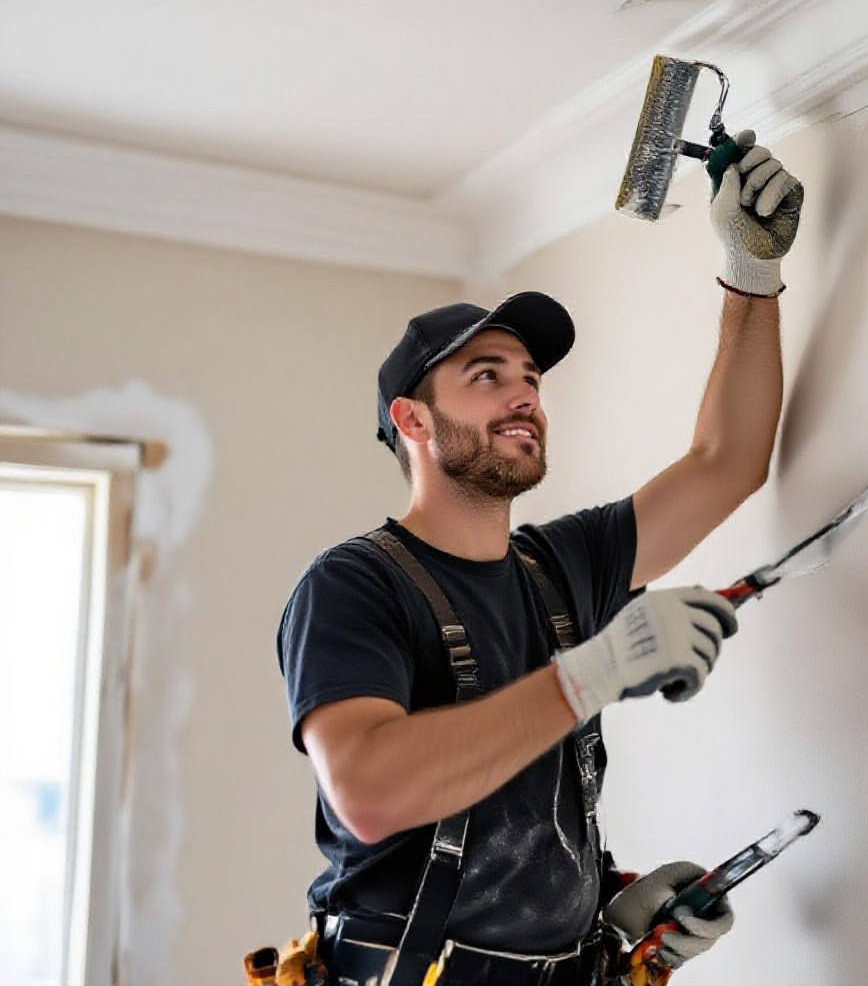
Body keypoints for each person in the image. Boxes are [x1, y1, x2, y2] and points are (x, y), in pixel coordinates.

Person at [277, 131, 803, 985]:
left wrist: (751, 272)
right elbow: (369, 793)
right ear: (412, 421)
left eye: (530, 377)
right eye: (487, 375)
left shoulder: (563, 567)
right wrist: (590, 674)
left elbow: (727, 463)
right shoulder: (352, 584)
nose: (525, 392)